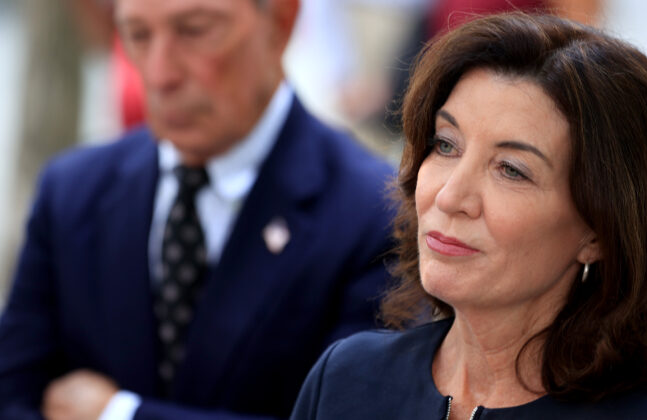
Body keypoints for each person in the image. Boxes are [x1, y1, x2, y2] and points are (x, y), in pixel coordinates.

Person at [291, 12, 647, 420]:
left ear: (599, 231)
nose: (450, 197)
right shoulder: (344, 379)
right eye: (445, 145)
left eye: (510, 169)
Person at [0, 0, 395, 418]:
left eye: (195, 30)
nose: (159, 73)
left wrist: (117, 413)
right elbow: (13, 393)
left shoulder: (373, 215)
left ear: (281, 21)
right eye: (137, 35)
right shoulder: (71, 192)